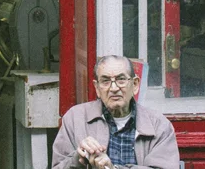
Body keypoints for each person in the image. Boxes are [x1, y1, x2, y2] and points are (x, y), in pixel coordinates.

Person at [52, 55, 180, 169]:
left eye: (121, 79)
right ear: (97, 88)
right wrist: (78, 159)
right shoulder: (75, 118)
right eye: (105, 81)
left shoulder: (159, 125)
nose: (113, 88)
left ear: (135, 85)